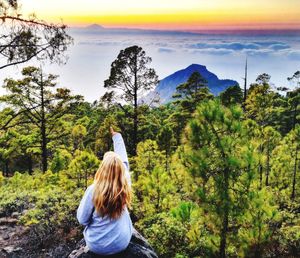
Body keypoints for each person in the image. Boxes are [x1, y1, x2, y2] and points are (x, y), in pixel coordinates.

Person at [76, 127, 132, 256]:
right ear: (121, 171)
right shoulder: (125, 184)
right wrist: (117, 137)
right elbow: (124, 162)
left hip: (97, 246)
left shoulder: (93, 190)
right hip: (121, 243)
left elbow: (82, 220)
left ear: (102, 169)